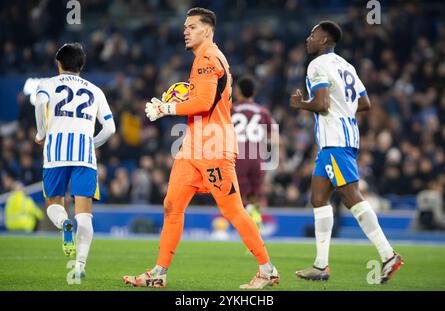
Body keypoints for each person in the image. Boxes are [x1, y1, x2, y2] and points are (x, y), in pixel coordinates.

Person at [123, 8, 280, 289]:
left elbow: (204, 102)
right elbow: (201, 99)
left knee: (233, 210)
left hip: (214, 147)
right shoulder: (204, 58)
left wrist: (165, 108)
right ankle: (159, 273)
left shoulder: (208, 57)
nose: (186, 30)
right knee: (172, 205)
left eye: (192, 26)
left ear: (207, 30)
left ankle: (267, 269)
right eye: (185, 26)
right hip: (194, 145)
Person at [290, 21, 403, 284]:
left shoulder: (317, 65)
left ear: (326, 39)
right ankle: (320, 266)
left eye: (313, 34)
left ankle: (388, 255)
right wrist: (342, 110)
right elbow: (365, 103)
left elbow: (320, 103)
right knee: (318, 197)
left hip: (335, 139)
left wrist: (300, 104)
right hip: (341, 137)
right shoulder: (346, 65)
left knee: (350, 195)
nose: (309, 38)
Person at [34, 43, 116, 278]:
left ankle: (63, 225)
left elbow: (40, 103)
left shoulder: (47, 84)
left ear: (58, 63)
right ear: (82, 65)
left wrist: (41, 133)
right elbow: (110, 128)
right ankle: (79, 266)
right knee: (84, 215)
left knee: (54, 204)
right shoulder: (95, 90)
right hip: (84, 155)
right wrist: (92, 143)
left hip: (55, 152)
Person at [231, 76, 275, 230]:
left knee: (238, 197)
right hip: (257, 158)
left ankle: (246, 229)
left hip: (238, 158)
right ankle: (256, 226)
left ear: (237, 92)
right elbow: (273, 137)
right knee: (254, 197)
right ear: (254, 92)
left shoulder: (231, 109)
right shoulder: (263, 111)